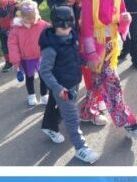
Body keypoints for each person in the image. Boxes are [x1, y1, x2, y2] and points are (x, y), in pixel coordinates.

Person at [77, 0, 137, 139]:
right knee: (112, 84)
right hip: (96, 48)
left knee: (98, 81)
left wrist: (126, 19)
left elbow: (121, 16)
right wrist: (91, 55)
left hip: (111, 45)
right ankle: (129, 123)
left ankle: (86, 112)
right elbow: (86, 28)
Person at [38, 5, 99, 163]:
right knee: (72, 117)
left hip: (73, 81)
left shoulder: (72, 36)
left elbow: (75, 56)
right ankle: (81, 148)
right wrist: (58, 88)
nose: (65, 30)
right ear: (54, 24)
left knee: (64, 109)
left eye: (68, 26)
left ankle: (50, 126)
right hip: (62, 87)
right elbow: (45, 71)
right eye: (61, 27)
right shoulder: (50, 47)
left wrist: (86, 61)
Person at [7, 1, 49, 106]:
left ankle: (44, 96)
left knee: (43, 77)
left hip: (41, 56)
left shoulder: (43, 25)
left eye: (33, 18)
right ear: (21, 17)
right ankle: (31, 96)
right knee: (29, 78)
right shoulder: (16, 29)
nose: (31, 21)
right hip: (26, 58)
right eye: (28, 19)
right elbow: (12, 45)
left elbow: (51, 35)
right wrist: (15, 60)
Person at [119, 0, 137, 69]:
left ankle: (136, 58)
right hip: (120, 8)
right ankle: (126, 47)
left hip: (135, 9)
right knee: (121, 31)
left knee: (135, 35)